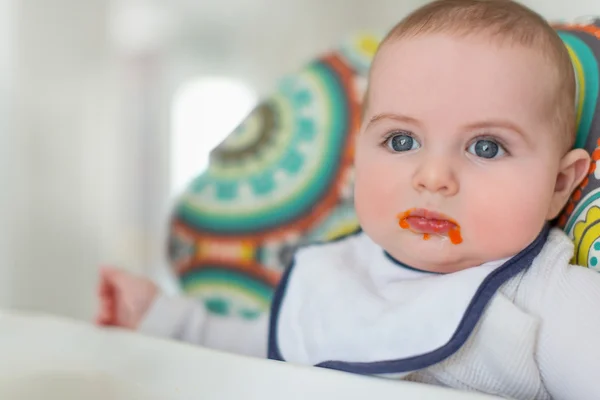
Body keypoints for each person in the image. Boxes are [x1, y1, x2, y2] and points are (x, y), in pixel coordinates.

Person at [96, 1, 600, 398]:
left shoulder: (546, 301)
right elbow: (261, 344)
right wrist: (164, 318)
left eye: (486, 147)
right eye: (401, 142)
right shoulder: (338, 272)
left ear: (560, 183)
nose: (433, 177)